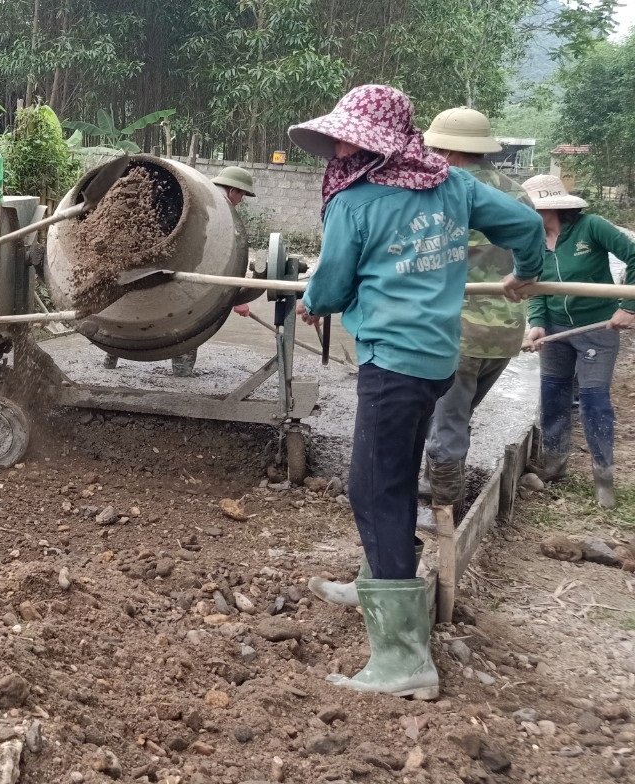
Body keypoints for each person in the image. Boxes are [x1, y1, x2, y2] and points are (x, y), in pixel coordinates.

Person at [290, 85, 542, 700]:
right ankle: (377, 576)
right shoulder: (452, 186)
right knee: (395, 472)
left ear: (375, 142)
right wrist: (524, 276)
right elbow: (528, 223)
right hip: (434, 360)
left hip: (392, 362)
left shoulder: (356, 202)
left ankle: (403, 658)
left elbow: (330, 285)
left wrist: (312, 302)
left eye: (351, 136)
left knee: (373, 486)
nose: (342, 146)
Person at [414, 108, 534, 517]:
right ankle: (437, 484)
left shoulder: (442, 189)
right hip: (504, 334)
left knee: (446, 422)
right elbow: (531, 250)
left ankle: (444, 513)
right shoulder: (517, 193)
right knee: (455, 413)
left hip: (456, 330)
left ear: (443, 150)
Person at [521, 174, 635, 509]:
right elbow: (534, 288)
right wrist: (538, 324)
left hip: (597, 328)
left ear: (550, 207)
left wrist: (628, 306)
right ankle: (554, 465)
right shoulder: (533, 239)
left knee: (593, 400)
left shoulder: (592, 227)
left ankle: (604, 477)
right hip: (557, 331)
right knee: (553, 396)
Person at [101, 166, 256, 375]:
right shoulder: (222, 213)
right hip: (183, 274)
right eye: (242, 195)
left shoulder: (195, 193)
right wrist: (237, 296)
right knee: (188, 318)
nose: (241, 200)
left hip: (131, 262)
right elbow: (218, 258)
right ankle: (181, 372)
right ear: (233, 191)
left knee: (124, 308)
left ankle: (109, 361)